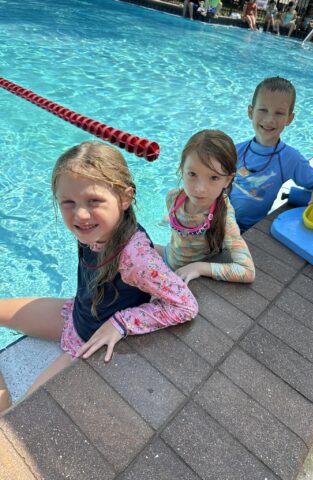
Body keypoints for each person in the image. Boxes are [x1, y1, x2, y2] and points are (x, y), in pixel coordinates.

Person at [0, 141, 198, 413]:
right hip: (74, 315)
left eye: (94, 201)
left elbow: (185, 305)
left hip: (88, 344)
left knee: (15, 420)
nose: (80, 214)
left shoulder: (135, 258)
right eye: (68, 203)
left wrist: (121, 322)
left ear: (125, 198)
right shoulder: (94, 230)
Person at [229, 77, 313, 233]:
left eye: (279, 113)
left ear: (289, 119)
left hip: (249, 231)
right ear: (250, 112)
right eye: (263, 110)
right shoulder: (235, 151)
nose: (270, 119)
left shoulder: (289, 158)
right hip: (220, 222)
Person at [156, 130, 255, 285]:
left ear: (227, 180)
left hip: (182, 274)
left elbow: (247, 271)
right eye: (192, 174)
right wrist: (168, 219)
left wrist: (198, 268)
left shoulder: (223, 218)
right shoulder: (173, 197)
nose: (200, 188)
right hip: (169, 255)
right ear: (182, 169)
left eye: (214, 178)